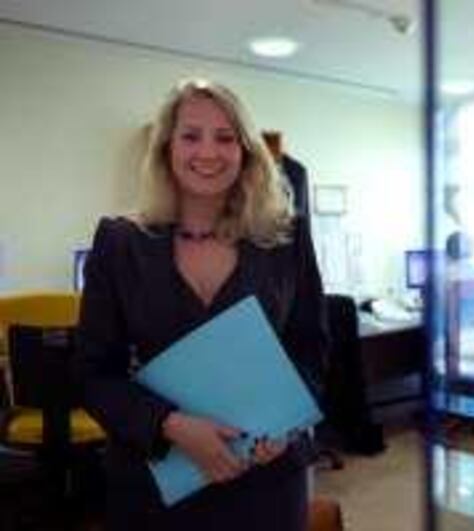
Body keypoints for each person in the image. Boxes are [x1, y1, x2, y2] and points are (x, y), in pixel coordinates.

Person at [74, 78, 327, 530]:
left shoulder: (283, 239)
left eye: (225, 138)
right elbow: (94, 376)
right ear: (167, 148)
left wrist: (286, 421)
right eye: (191, 136)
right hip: (159, 484)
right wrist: (169, 425)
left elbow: (311, 347)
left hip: (266, 481)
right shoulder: (119, 242)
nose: (208, 152)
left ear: (246, 151)